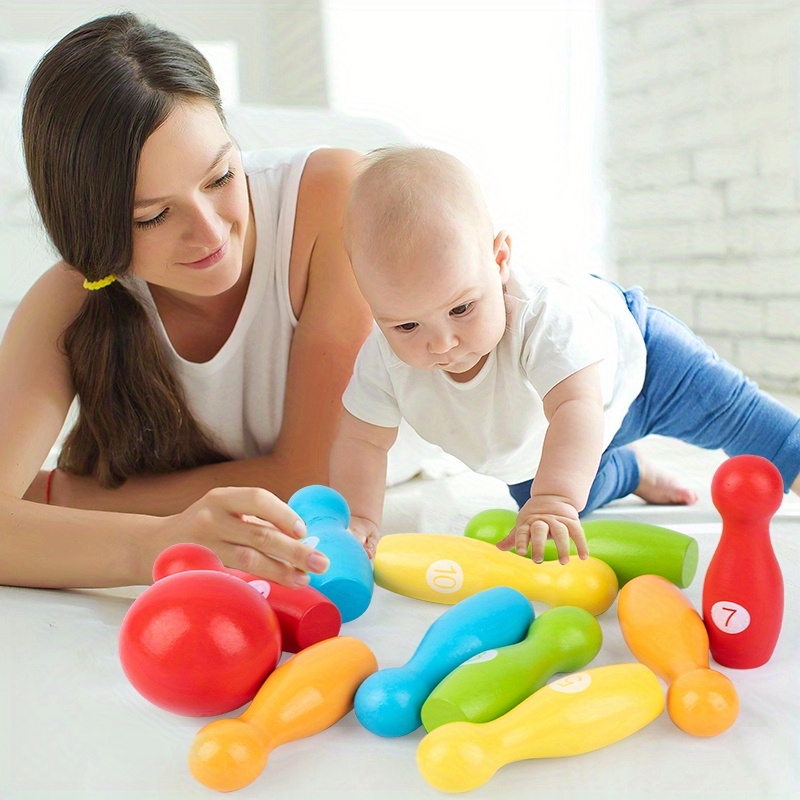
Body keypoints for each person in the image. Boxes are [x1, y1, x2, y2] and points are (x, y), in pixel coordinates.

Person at [0, 12, 375, 589]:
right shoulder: (71, 298)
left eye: (222, 177)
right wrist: (159, 543)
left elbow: (317, 475)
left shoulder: (330, 200)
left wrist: (60, 496)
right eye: (153, 215)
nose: (210, 232)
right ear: (92, 227)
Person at [330, 145, 800, 564]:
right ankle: (629, 470)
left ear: (499, 262)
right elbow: (363, 441)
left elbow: (576, 405)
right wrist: (359, 516)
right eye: (406, 325)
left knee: (748, 422)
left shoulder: (543, 316)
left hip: (640, 364)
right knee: (547, 516)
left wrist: (554, 496)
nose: (441, 343)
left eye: (461, 308)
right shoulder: (383, 361)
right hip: (547, 439)